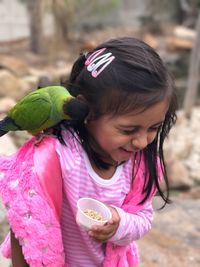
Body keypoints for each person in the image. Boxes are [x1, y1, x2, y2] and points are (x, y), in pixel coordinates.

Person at [0, 37, 177, 267]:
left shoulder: (139, 166)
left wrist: (119, 224)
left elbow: (143, 218)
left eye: (154, 128)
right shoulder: (59, 157)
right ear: (88, 112)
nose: (142, 141)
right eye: (128, 130)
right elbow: (24, 220)